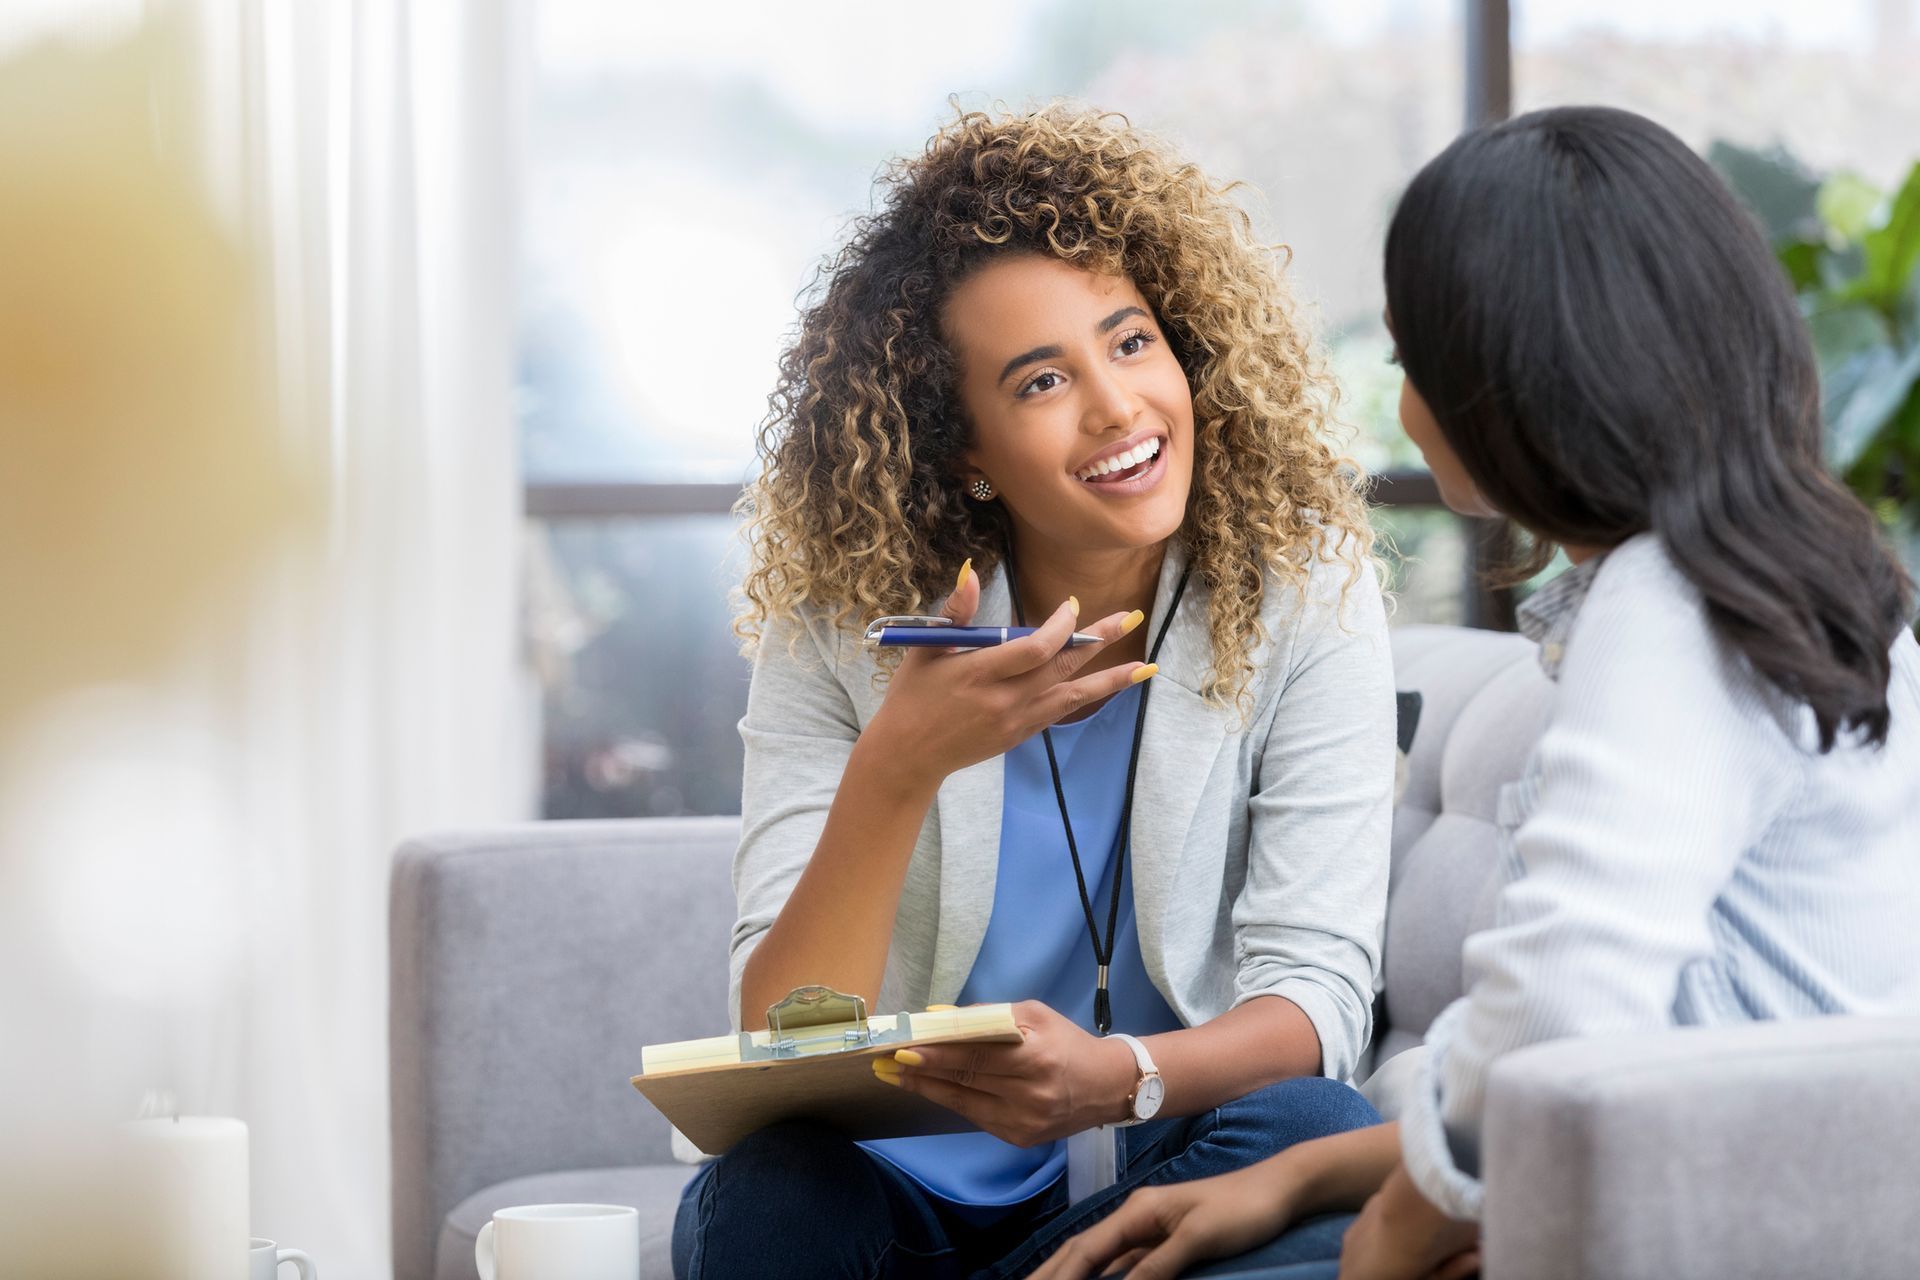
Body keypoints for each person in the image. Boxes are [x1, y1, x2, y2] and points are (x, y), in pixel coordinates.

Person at [1032, 104, 1920, 1280]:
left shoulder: (1668, 611)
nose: (1403, 403)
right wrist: (1305, 1176)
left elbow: (1559, 1012)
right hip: (1754, 1178)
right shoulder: (1819, 584)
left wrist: (1400, 1229)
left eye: (1411, 364)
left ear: (1513, 385)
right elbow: (1673, 1038)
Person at [669, 105, 1398, 1280]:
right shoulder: (842, 625)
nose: (1116, 408)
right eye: (1043, 378)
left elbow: (1317, 1000)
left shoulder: (1306, 591)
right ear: (962, 447)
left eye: (1130, 342)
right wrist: (899, 766)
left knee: (1320, 1130)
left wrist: (1123, 1076)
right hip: (902, 1195)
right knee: (763, 1197)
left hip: (1164, 1170)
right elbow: (776, 1043)